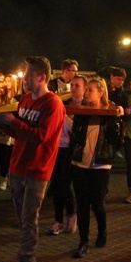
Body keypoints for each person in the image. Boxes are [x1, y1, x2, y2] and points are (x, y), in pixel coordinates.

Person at [0, 56, 65, 262]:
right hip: (17, 165)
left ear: (42, 77)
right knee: (21, 216)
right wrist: (3, 125)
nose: (24, 79)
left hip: (37, 168)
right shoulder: (25, 99)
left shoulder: (53, 104)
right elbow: (21, 134)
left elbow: (42, 137)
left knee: (28, 216)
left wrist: (13, 122)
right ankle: (28, 257)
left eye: (29, 74)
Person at [70, 77, 123, 258]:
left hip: (100, 164)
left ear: (101, 92)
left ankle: (102, 230)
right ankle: (83, 241)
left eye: (90, 90)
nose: (87, 93)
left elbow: (114, 140)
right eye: (87, 90)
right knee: (82, 204)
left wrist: (115, 119)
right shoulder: (81, 111)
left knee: (97, 203)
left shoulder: (110, 112)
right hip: (80, 162)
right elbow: (75, 136)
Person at [48, 74, 86, 235]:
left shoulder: (88, 107)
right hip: (58, 147)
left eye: (78, 85)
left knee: (65, 183)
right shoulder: (62, 104)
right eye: (72, 85)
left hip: (75, 149)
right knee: (56, 185)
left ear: (84, 88)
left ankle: (71, 213)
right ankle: (58, 221)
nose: (74, 88)